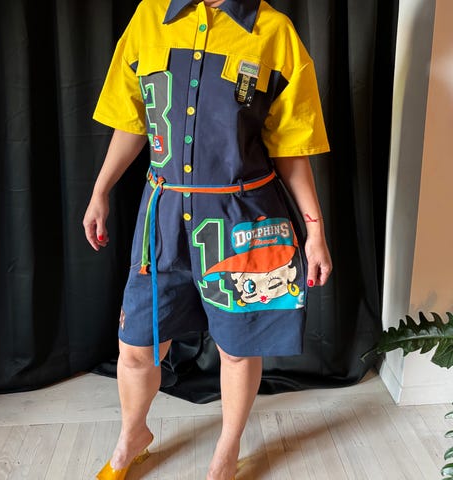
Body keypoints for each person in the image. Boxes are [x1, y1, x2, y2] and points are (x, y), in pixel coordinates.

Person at [83, 0, 332, 478]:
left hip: (242, 220)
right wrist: (100, 190)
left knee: (237, 348)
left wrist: (315, 232)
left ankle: (227, 451)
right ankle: (132, 435)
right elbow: (132, 120)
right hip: (164, 218)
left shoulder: (275, 34)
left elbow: (291, 148)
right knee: (136, 345)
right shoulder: (149, 18)